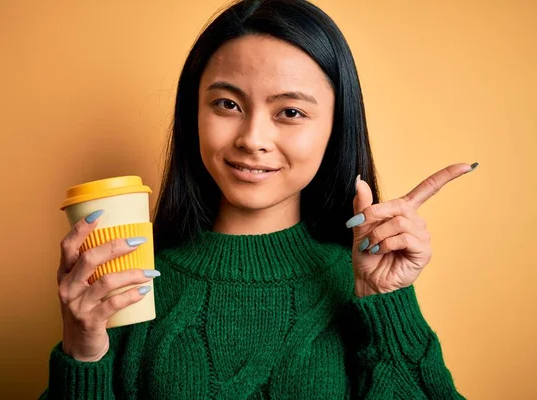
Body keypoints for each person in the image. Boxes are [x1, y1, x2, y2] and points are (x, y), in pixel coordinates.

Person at [41, 0, 476, 398]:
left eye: (290, 112)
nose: (252, 139)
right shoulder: (126, 290)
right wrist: (82, 355)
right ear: (193, 112)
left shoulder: (364, 289)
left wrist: (388, 302)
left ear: (334, 127)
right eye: (227, 104)